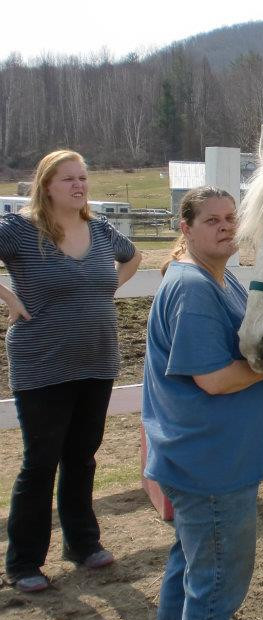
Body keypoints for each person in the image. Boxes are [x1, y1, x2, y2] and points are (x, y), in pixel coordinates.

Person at [142, 186, 263, 620]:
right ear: (185, 228)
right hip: (211, 465)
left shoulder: (221, 278)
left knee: (192, 566)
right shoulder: (193, 288)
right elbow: (213, 380)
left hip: (203, 458)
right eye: (211, 220)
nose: (226, 226)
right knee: (217, 586)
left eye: (231, 217)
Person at [0, 150, 142, 593]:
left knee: (82, 456)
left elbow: (133, 257)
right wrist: (7, 297)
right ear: (46, 186)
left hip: (96, 360)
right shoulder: (19, 232)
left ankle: (83, 543)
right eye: (68, 180)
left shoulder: (101, 232)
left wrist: (105, 290)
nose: (79, 186)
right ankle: (24, 562)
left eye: (83, 178)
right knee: (40, 463)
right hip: (43, 363)